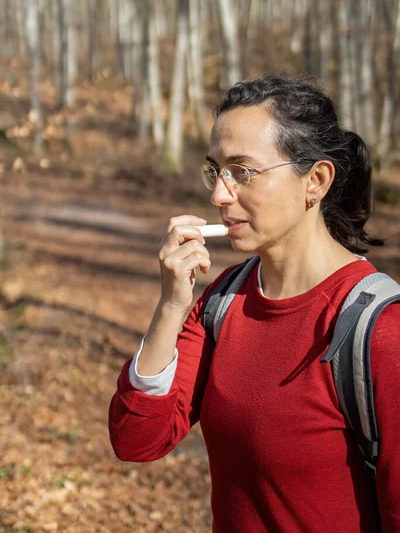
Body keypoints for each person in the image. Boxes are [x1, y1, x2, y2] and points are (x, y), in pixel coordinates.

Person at [109, 75, 400, 532]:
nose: (219, 195)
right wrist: (170, 307)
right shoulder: (225, 300)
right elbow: (136, 439)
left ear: (316, 181)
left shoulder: (379, 328)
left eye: (242, 171)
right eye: (216, 170)